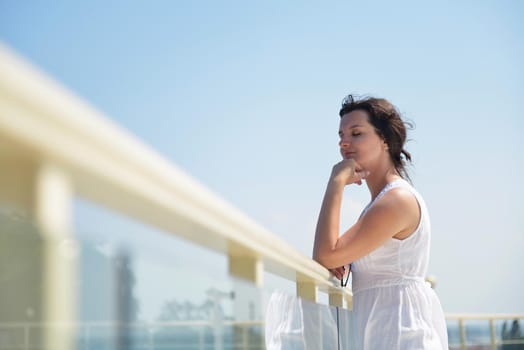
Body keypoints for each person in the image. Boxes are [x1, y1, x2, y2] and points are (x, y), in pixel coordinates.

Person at [313, 94, 448, 349]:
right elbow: (331, 255)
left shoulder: (396, 200)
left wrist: (336, 182)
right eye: (341, 135)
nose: (344, 142)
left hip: (400, 335)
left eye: (356, 133)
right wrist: (343, 260)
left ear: (384, 139)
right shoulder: (379, 204)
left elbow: (324, 255)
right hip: (383, 332)